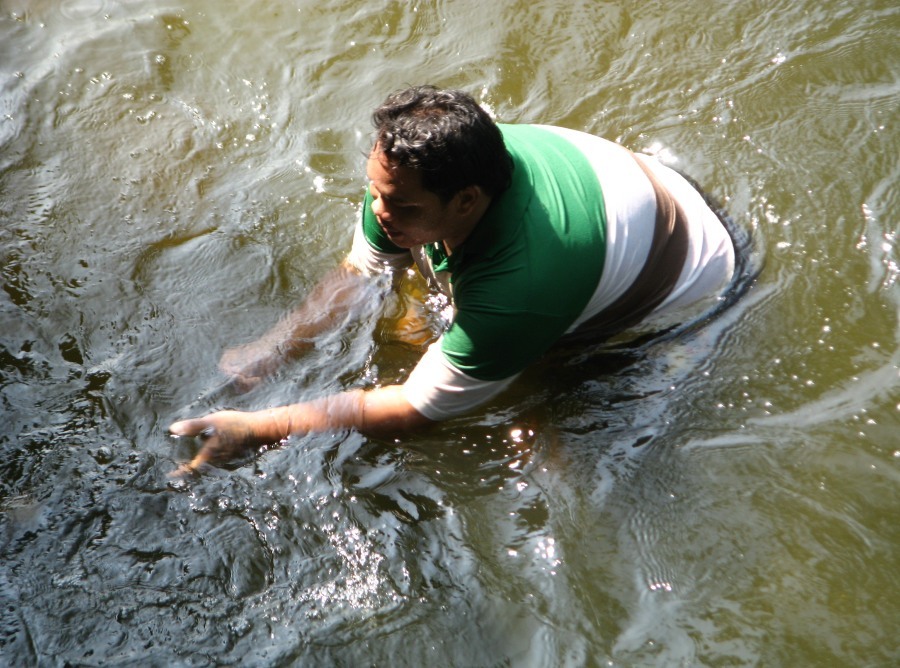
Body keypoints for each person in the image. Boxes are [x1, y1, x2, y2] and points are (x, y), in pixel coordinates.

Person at [168, 85, 739, 473]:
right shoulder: (406, 180)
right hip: (628, 198)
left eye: (401, 207)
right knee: (419, 324)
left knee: (530, 419)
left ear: (467, 200)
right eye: (374, 193)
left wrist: (260, 428)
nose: (380, 213)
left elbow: (415, 409)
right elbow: (360, 274)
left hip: (689, 281)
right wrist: (272, 351)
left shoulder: (521, 287)